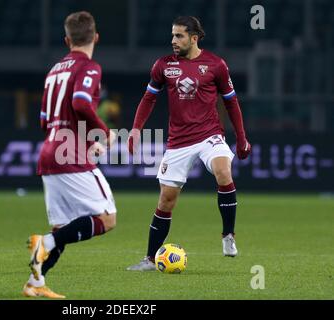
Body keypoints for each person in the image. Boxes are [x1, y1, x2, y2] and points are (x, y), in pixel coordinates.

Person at [126, 16, 251, 271]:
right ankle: (150, 259)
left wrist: (241, 137)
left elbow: (231, 102)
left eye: (179, 36)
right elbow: (148, 98)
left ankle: (228, 235)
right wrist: (136, 129)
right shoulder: (163, 65)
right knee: (166, 201)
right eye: (172, 35)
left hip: (209, 135)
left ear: (194, 38)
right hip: (178, 142)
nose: (173, 41)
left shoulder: (216, 65)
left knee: (223, 170)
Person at [23, 11, 117, 298]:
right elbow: (80, 102)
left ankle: (35, 284)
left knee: (64, 225)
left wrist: (85, 142)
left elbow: (44, 120)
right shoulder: (89, 67)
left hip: (50, 152)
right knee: (107, 218)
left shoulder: (54, 71)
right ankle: (46, 243)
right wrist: (104, 132)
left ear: (67, 40)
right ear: (96, 37)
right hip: (69, 156)